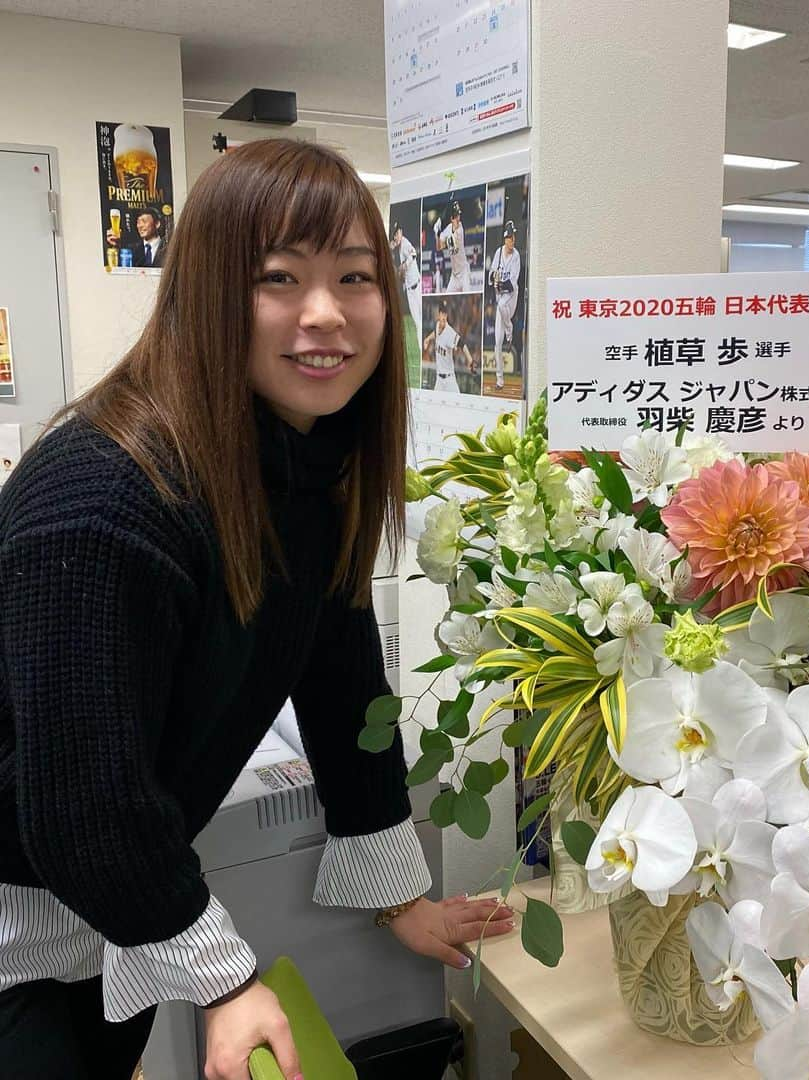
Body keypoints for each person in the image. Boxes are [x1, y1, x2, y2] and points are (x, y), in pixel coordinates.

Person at [0, 140, 513, 1080]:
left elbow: (344, 685)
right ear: (206, 293)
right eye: (278, 277)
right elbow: (82, 806)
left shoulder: (307, 467)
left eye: (354, 277)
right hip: (16, 924)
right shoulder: (105, 495)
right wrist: (225, 982)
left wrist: (402, 901)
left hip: (103, 915)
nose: (326, 314)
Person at [488, 220, 521, 391]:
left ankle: (510, 330)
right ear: (505, 238)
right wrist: (494, 279)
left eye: (513, 236)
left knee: (501, 304)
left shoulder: (516, 256)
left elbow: (512, 282)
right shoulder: (498, 252)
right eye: (510, 237)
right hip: (501, 300)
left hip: (511, 297)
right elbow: (491, 273)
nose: (512, 240)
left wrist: (501, 284)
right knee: (497, 344)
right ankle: (500, 380)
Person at [424, 301, 473, 393]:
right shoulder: (437, 324)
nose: (444, 316)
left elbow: (462, 344)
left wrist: (470, 359)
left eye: (445, 314)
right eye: (442, 313)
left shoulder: (449, 332)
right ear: (438, 315)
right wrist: (427, 339)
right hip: (439, 380)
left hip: (449, 379)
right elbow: (435, 333)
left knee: (457, 403)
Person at [391, 221, 422, 330]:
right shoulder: (398, 248)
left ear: (401, 232)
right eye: (394, 234)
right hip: (409, 290)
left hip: (417, 287)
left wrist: (404, 265)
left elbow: (414, 253)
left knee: (420, 321)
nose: (396, 236)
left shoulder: (405, 243)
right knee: (417, 323)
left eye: (398, 233)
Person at [436, 200, 468, 293]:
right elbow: (439, 247)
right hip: (454, 276)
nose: (458, 218)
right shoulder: (449, 228)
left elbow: (451, 243)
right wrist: (437, 233)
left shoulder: (460, 230)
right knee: (447, 294)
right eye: (455, 216)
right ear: (451, 218)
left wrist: (441, 235)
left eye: (458, 215)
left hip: (463, 272)